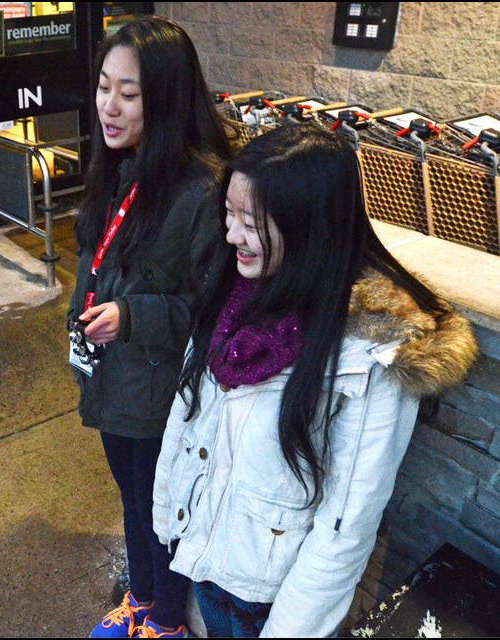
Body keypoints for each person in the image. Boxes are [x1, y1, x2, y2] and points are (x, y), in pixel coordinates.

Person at [152, 125, 478, 637]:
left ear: (310, 225)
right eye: (229, 215)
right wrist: (166, 512)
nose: (232, 235)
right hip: (208, 559)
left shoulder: (369, 351)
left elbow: (347, 520)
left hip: (272, 598)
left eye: (251, 223)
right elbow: (188, 409)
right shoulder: (235, 293)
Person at [68, 16, 233, 639]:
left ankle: (166, 622)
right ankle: (140, 599)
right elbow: (96, 257)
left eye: (129, 94)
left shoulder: (203, 188)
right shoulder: (115, 165)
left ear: (166, 97)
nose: (109, 107)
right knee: (134, 506)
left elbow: (212, 309)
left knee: (163, 513)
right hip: (112, 377)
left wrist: (132, 317)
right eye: (104, 87)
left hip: (162, 393)